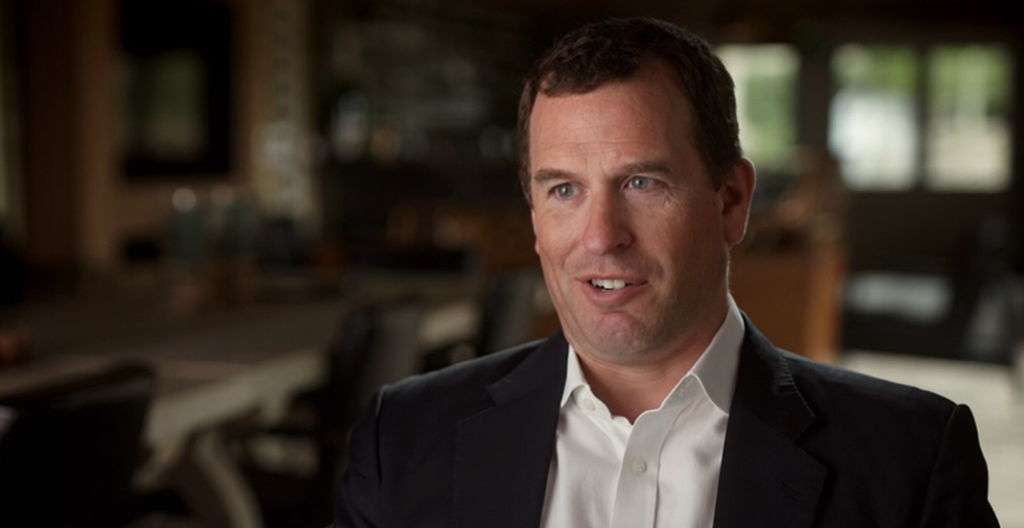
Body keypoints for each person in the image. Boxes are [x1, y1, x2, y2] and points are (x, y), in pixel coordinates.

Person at [335, 17, 999, 528]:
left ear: (731, 202)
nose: (600, 237)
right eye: (564, 190)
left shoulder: (911, 460)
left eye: (643, 182)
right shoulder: (403, 438)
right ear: (534, 214)